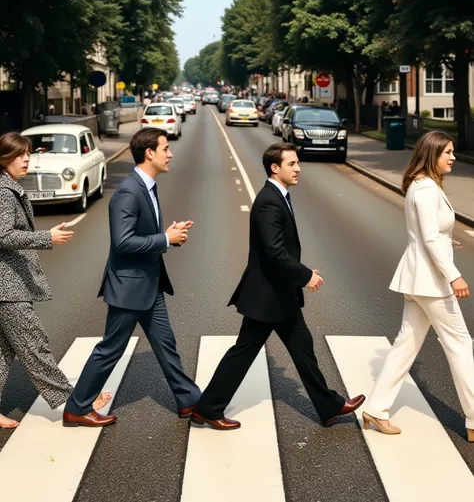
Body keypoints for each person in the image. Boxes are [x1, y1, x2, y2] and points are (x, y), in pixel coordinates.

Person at [191, 143, 365, 430]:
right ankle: (208, 409)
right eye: (292, 163)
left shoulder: (278, 196)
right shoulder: (269, 200)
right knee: (244, 352)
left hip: (280, 294)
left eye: (298, 163)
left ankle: (329, 405)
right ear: (275, 167)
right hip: (268, 296)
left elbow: (279, 249)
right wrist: (305, 274)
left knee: (302, 348)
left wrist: (300, 273)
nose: (298, 168)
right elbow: (274, 252)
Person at [63, 127, 201, 427]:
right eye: (165, 148)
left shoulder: (148, 187)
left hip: (149, 284)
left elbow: (141, 234)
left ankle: (188, 400)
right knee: (110, 350)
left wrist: (169, 236)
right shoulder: (128, 191)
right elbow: (122, 242)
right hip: (129, 286)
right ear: (149, 153)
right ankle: (77, 407)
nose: (170, 153)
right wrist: (164, 239)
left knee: (166, 346)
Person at [362, 131, 474, 441]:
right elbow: (427, 238)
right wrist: (453, 274)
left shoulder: (425, 186)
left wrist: (448, 243)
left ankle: (376, 409)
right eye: (448, 152)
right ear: (432, 154)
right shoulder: (425, 189)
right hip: (431, 281)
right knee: (461, 344)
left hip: (418, 278)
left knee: (406, 344)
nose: (453, 157)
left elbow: (432, 235)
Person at [0, 132, 110, 429]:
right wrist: (46, 237)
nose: (27, 160)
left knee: (4, 350)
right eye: (20, 155)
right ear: (5, 158)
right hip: (6, 286)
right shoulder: (3, 191)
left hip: (7, 285)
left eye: (28, 154)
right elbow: (2, 235)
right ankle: (76, 404)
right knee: (34, 345)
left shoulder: (9, 187)